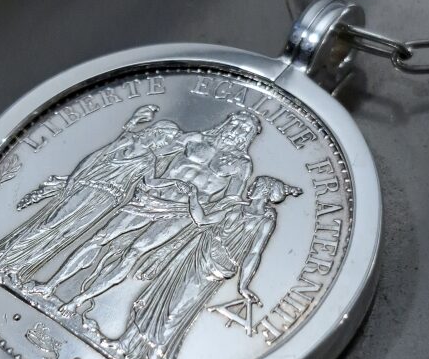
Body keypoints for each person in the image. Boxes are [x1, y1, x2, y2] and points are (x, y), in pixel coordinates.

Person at [32, 110, 263, 311]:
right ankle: (51, 285)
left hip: (183, 212)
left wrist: (207, 218)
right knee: (100, 238)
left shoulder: (241, 163)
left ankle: (78, 300)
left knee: (134, 252)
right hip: (150, 197)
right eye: (236, 123)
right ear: (227, 122)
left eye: (245, 129)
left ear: (249, 136)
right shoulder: (196, 138)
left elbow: (231, 200)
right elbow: (151, 150)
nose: (237, 130)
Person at [111, 176, 302, 359]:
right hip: (196, 255)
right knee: (160, 299)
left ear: (265, 192)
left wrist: (243, 285)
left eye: (256, 186)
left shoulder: (266, 220)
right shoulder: (235, 207)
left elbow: (254, 252)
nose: (251, 187)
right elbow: (202, 220)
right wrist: (193, 195)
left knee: (177, 311)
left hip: (215, 269)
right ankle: (126, 344)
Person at [0, 105, 182, 285]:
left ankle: (17, 268)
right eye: (168, 138)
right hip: (89, 188)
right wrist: (73, 180)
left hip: (106, 201)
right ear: (158, 132)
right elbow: (94, 158)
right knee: (50, 225)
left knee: (65, 235)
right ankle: (0, 259)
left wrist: (175, 183)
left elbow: (149, 183)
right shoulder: (130, 140)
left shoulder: (151, 159)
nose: (168, 143)